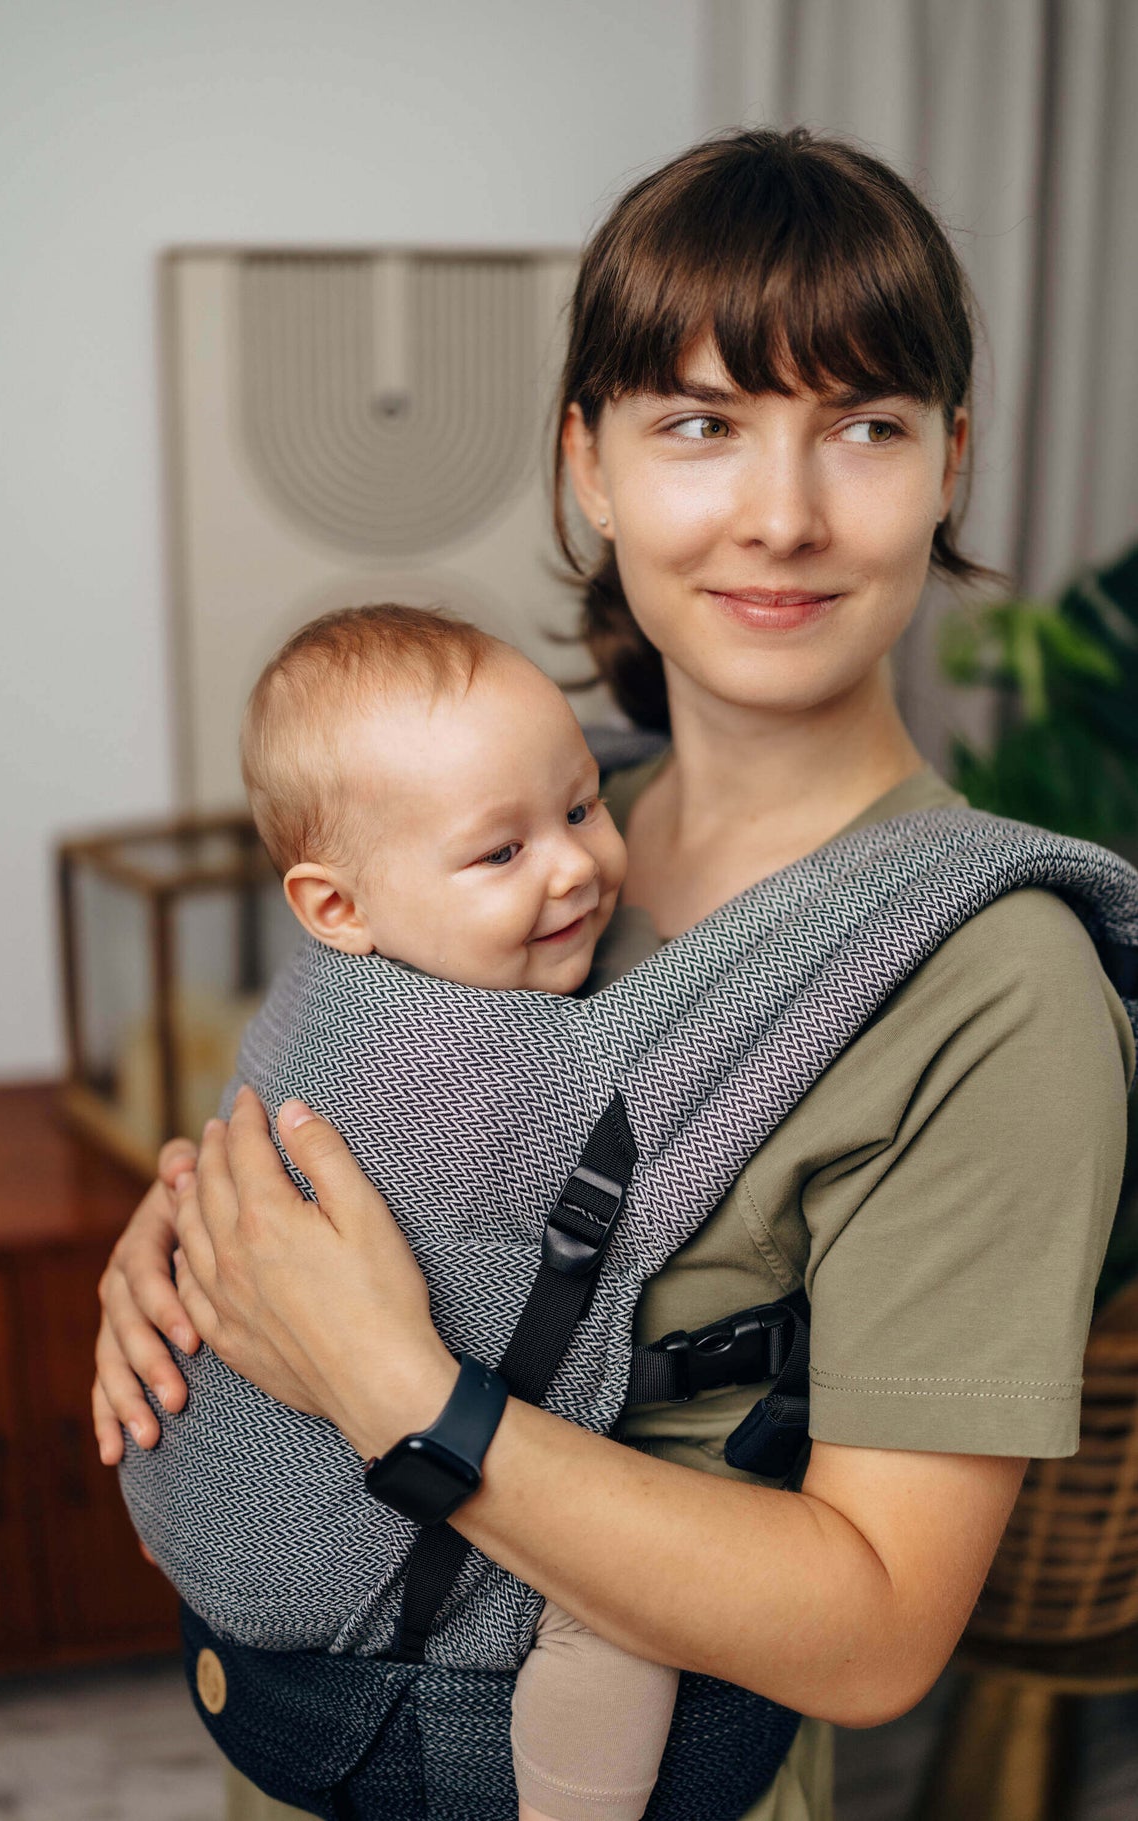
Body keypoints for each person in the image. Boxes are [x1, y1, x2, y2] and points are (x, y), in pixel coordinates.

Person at [93, 128, 1134, 1821]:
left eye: (862, 427)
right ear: (586, 462)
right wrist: (199, 1233)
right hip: (291, 1757)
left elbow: (870, 1632)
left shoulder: (989, 984)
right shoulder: (512, 848)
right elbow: (351, 1123)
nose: (779, 516)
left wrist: (385, 1385)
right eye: (699, 425)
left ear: (950, 463)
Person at [229, 596, 681, 1821]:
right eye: (502, 853)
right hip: (368, 1518)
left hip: (291, 1533)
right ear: (337, 911)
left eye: (582, 805)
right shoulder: (462, 1070)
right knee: (626, 1609)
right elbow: (655, 1175)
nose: (576, 863)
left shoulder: (346, 985)